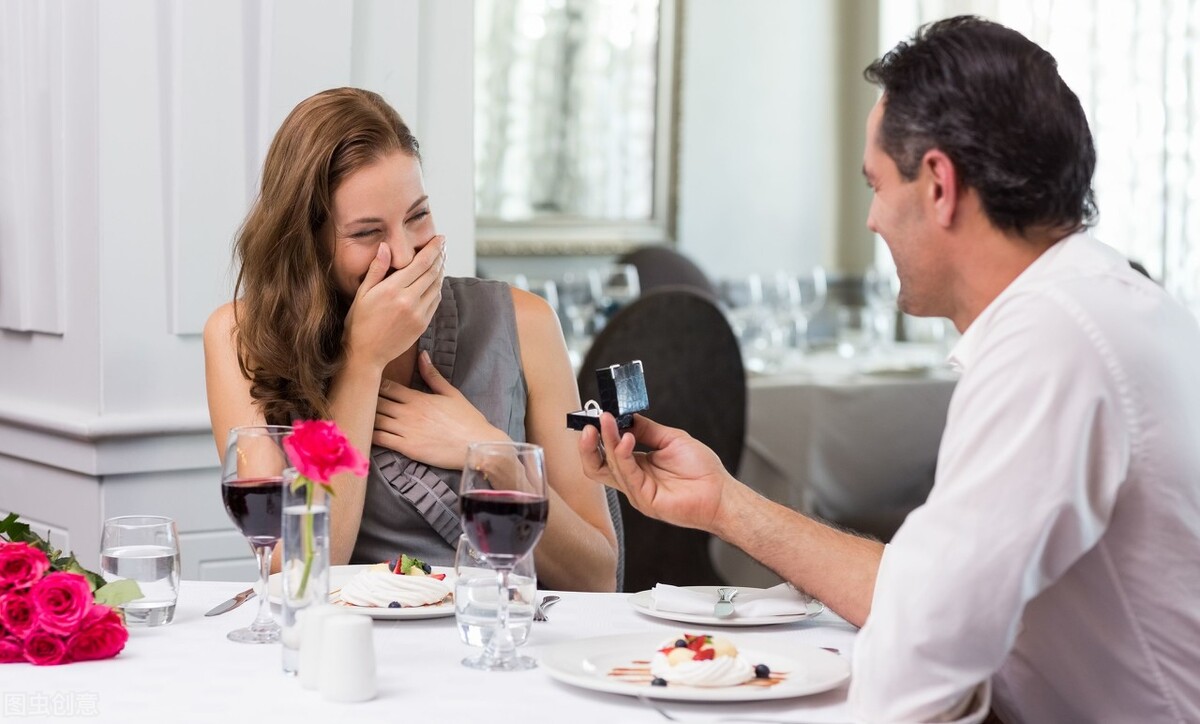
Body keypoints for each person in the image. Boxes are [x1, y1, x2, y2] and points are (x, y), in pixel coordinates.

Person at [578, 16, 1200, 723]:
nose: (872, 220)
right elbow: (925, 595)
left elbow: (912, 670)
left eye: (875, 185)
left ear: (938, 184)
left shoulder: (1050, 343)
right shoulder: (1098, 303)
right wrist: (723, 503)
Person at [205, 87, 618, 592]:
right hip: (351, 653)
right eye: (366, 233)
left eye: (417, 215)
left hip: (494, 638)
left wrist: (491, 452)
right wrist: (362, 362)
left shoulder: (526, 322)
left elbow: (598, 575)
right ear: (306, 244)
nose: (403, 254)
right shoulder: (239, 336)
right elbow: (301, 572)